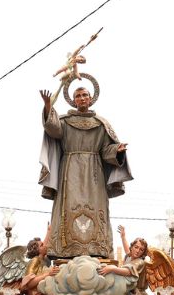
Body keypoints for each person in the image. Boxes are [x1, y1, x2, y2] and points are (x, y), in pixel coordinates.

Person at [37, 83, 132, 259]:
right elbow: (53, 129)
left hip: (94, 172)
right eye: (78, 95)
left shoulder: (101, 124)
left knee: (96, 207)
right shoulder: (65, 121)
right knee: (69, 206)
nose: (82, 98)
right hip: (70, 170)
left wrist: (116, 150)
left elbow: (106, 149)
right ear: (73, 100)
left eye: (85, 95)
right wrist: (48, 106)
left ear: (91, 98)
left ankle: (97, 248)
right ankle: (66, 250)